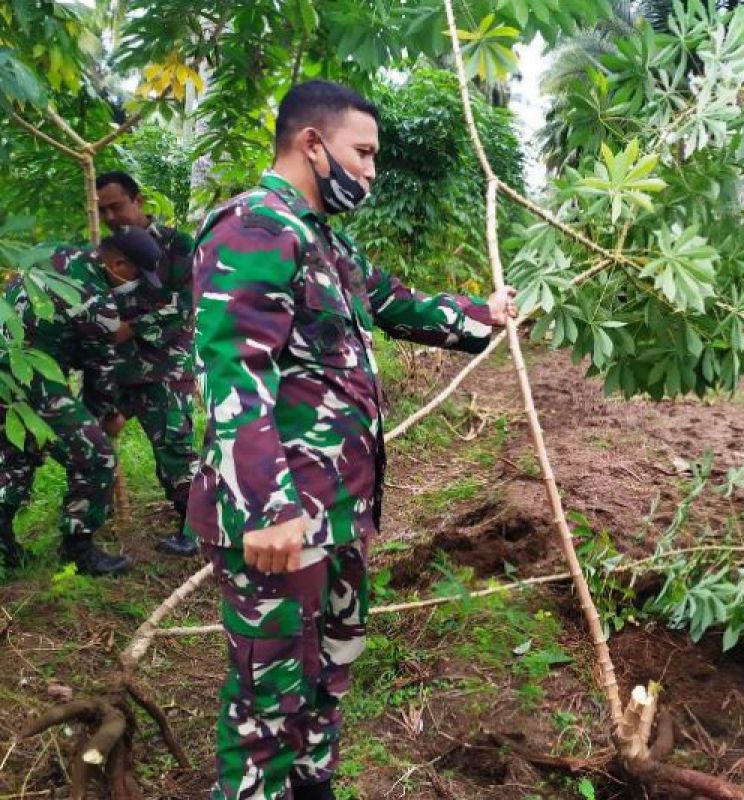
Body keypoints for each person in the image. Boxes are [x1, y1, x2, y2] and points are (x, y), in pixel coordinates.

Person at [187, 79, 515, 800]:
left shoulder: (325, 244)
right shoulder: (255, 227)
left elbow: (400, 304)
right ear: (312, 143)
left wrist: (483, 316)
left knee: (326, 674)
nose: (370, 170)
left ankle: (313, 789)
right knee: (267, 704)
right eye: (362, 152)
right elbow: (233, 372)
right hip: (281, 519)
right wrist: (269, 508)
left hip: (336, 513)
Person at [0, 229, 165, 576]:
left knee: (16, 456)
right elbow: (99, 373)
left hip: (7, 369)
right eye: (135, 274)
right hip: (34, 378)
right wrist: (103, 418)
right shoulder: (97, 304)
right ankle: (79, 549)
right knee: (96, 455)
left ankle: (3, 549)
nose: (134, 283)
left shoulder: (53, 252)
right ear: (118, 263)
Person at [94, 170, 199, 556]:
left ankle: (197, 528)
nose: (110, 217)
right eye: (102, 210)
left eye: (117, 207)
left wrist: (130, 327)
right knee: (90, 436)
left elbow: (185, 307)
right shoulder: (103, 251)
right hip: (118, 369)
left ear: (138, 202)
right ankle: (90, 522)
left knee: (173, 452)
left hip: (165, 366)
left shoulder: (177, 245)